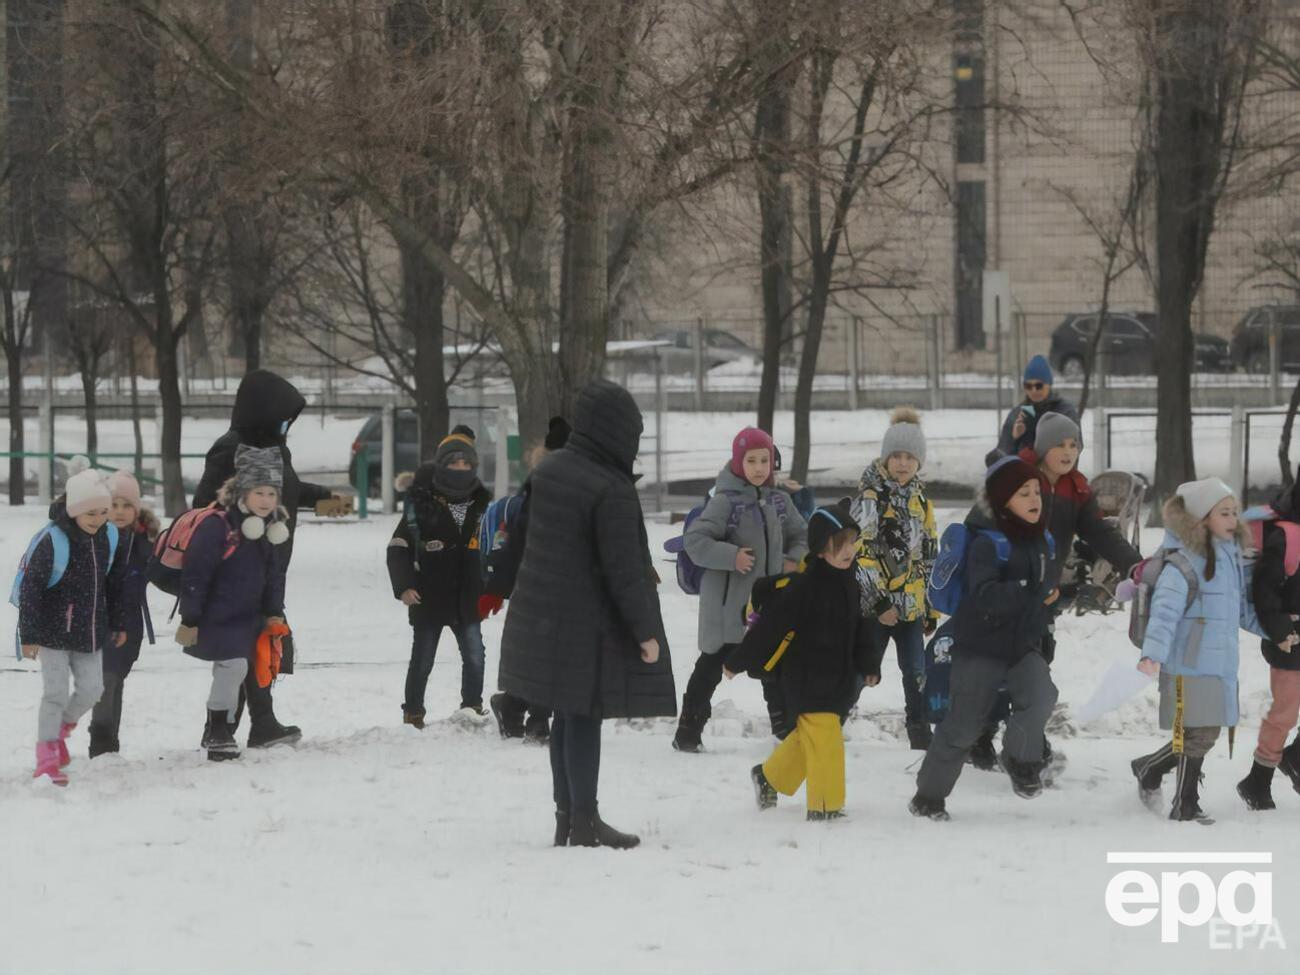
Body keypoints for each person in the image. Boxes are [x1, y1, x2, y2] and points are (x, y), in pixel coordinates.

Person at [497, 379, 675, 849]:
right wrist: (645, 632)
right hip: (585, 624)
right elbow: (624, 569)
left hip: (547, 617)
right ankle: (585, 821)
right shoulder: (609, 486)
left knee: (564, 716)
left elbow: (522, 543)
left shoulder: (552, 470)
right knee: (583, 718)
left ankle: (568, 818)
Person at [968, 412, 1142, 771]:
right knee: (1001, 665)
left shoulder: (1076, 489)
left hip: (1042, 594)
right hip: (1004, 587)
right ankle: (985, 734)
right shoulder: (1016, 477)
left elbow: (1100, 533)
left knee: (1036, 663)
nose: (1068, 451)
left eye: (1074, 444)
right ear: (1043, 447)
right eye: (1060, 444)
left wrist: (1135, 565)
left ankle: (1021, 737)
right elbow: (978, 523)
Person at [193, 369, 344, 747]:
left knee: (259, 643)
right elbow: (205, 507)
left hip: (269, 562)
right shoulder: (231, 449)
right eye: (281, 416)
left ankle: (228, 727)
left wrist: (324, 498)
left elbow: (284, 489)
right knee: (250, 644)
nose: (284, 424)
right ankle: (246, 725)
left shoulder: (276, 448)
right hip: (236, 567)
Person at [909, 457, 1059, 821]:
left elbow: (1041, 592)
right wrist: (1029, 592)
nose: (1034, 498)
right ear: (1003, 499)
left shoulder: (1040, 539)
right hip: (980, 648)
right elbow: (985, 595)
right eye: (1024, 493)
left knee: (1041, 696)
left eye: (1037, 491)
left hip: (1021, 645)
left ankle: (1019, 759)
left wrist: (1053, 605)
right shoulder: (986, 544)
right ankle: (928, 797)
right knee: (963, 726)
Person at [725, 502, 883, 820]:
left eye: (852, 542)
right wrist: (738, 660)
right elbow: (771, 626)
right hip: (806, 677)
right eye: (840, 544)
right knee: (826, 739)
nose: (849, 550)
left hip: (837, 677)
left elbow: (862, 627)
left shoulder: (851, 583)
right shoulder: (803, 586)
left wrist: (869, 664)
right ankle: (825, 807)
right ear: (821, 550)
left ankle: (768, 777)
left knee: (808, 737)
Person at [1130, 479, 1263, 824]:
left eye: (1234, 511)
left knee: (1204, 732)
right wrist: (1152, 654)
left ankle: (1149, 767)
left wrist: (1277, 633)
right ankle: (1184, 803)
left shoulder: (1230, 559)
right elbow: (1164, 612)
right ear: (1201, 518)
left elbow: (1241, 611)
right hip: (1188, 662)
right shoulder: (1184, 563)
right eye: (1224, 512)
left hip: (1218, 662)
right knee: (1200, 733)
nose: (1233, 518)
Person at [673, 427, 807, 751]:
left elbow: (803, 534)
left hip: (768, 606)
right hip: (726, 608)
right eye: (752, 460)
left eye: (766, 460)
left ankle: (784, 727)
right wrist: (731, 557)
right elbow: (695, 541)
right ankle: (688, 730)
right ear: (738, 462)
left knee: (774, 662)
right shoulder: (724, 502)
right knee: (711, 666)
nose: (760, 467)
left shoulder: (779, 500)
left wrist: (794, 559)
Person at [177, 446, 291, 762]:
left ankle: (221, 729)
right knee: (234, 667)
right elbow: (196, 574)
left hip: (248, 617)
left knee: (240, 672)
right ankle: (218, 730)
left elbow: (273, 576)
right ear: (242, 491)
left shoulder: (270, 530)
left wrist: (273, 612)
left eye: (271, 493)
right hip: (217, 616)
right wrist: (191, 617)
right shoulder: (218, 527)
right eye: (259, 492)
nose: (266, 500)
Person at [19, 464, 129, 784]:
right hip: (52, 634)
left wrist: (118, 622)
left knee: (92, 690)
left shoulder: (107, 537)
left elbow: (115, 583)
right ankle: (46, 757)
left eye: (102, 512)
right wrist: (29, 635)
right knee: (54, 693)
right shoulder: (53, 540)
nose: (97, 519)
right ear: (74, 510)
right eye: (90, 513)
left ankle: (60, 731)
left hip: (90, 631)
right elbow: (31, 588)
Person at [389, 432, 492, 727]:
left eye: (466, 462)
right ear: (442, 466)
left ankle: (472, 706)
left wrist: (492, 584)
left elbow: (494, 547)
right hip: (428, 597)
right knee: (422, 660)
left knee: (475, 656)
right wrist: (404, 586)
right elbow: (398, 548)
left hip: (468, 597)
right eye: (454, 462)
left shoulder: (482, 504)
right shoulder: (422, 504)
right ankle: (413, 711)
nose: (460, 468)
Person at [849, 407, 938, 749]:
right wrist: (880, 601)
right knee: (864, 669)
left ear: (919, 461)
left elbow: (929, 556)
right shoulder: (871, 499)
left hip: (911, 608)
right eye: (896, 456)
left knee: (917, 671)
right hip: (876, 607)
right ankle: (833, 717)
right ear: (885, 459)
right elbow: (861, 554)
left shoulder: (920, 501)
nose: (902, 463)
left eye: (909, 457)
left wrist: (931, 607)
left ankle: (919, 730)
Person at [488, 415, 571, 743]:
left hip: (570, 587)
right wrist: (495, 588)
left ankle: (511, 703)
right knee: (546, 653)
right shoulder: (540, 494)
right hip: (538, 587)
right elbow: (517, 541)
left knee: (557, 654)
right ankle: (537, 719)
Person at [1238, 475, 1300, 810]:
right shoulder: (1286, 536)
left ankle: (1294, 758)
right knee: (1285, 713)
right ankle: (1257, 780)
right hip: (1291, 639)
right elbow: (1264, 590)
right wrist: (1279, 633)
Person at [87, 471, 159, 758]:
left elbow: (163, 570)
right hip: (98, 620)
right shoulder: (94, 536)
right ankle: (101, 743)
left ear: (137, 509)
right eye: (113, 505)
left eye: (126, 505)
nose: (119, 512)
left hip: (130, 623)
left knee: (116, 678)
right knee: (105, 679)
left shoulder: (145, 541)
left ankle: (109, 741)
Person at [991, 355, 1080, 462]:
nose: (1033, 390)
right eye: (1028, 386)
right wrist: (1015, 439)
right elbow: (1002, 455)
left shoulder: (1065, 411)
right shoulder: (1017, 414)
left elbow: (1075, 448)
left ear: (1049, 384)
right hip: (1023, 476)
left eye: (1039, 386)